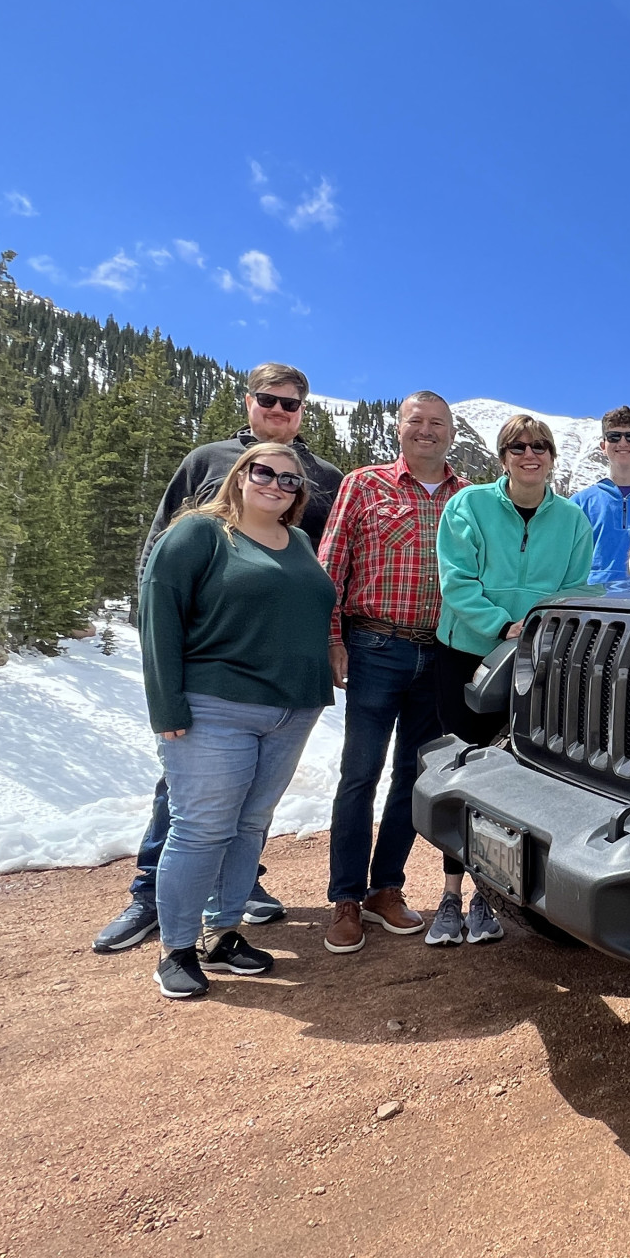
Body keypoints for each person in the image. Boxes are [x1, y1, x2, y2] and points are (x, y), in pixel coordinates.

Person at [93, 362, 344, 954]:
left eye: (291, 404)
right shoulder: (206, 462)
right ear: (249, 401)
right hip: (214, 678)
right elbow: (161, 555)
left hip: (285, 686)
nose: (279, 413)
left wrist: (330, 639)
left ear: (304, 411)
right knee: (188, 802)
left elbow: (322, 571)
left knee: (249, 808)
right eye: (269, 401)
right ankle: (149, 896)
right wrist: (165, 664)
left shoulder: (324, 479)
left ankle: (232, 900)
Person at [138, 442, 337, 999]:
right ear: (240, 474)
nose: (276, 485)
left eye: (290, 480)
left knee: (251, 824)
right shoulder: (200, 533)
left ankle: (222, 933)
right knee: (202, 829)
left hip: (292, 709)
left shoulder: (297, 541)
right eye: (264, 472)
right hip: (214, 706)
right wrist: (166, 705)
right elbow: (159, 613)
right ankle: (176, 948)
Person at [430, 414, 593, 944]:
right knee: (465, 774)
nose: (531, 453)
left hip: (535, 664)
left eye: (540, 446)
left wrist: (538, 631)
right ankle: (449, 898)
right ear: (503, 456)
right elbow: (457, 581)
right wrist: (504, 626)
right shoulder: (468, 506)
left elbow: (573, 589)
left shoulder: (571, 520)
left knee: (517, 779)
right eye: (518, 446)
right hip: (470, 655)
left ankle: (487, 897)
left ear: (551, 456)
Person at [318, 392, 467, 955]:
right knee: (360, 773)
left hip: (441, 654)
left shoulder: (470, 498)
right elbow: (332, 563)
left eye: (437, 424)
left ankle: (386, 889)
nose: (426, 431)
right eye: (416, 422)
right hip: (374, 646)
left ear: (451, 432)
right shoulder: (364, 484)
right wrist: (333, 637)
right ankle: (346, 899)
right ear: (399, 428)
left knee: (413, 776)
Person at [571, 405, 630, 584]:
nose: (623, 443)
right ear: (603, 446)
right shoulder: (579, 503)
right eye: (614, 437)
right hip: (592, 602)